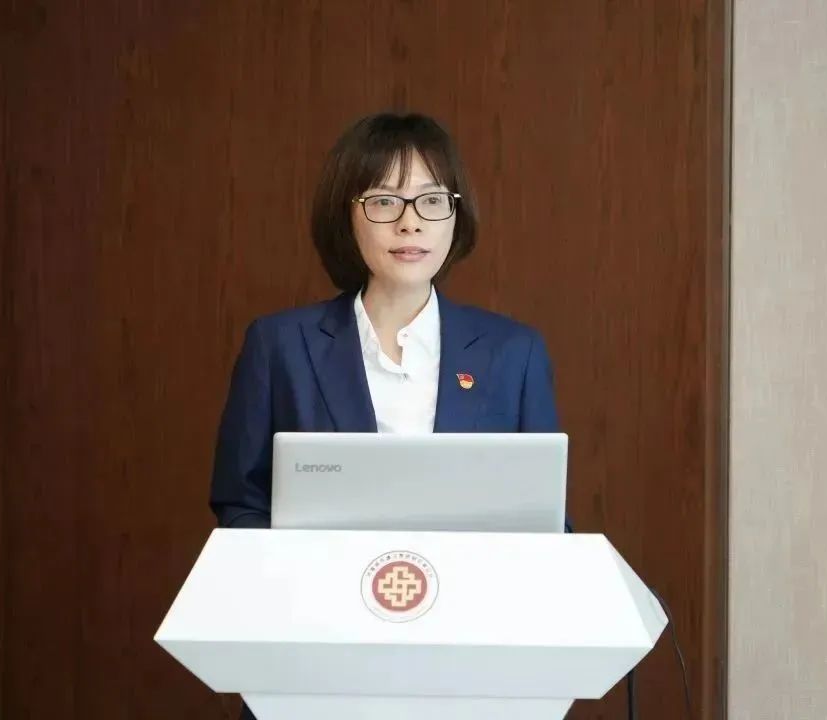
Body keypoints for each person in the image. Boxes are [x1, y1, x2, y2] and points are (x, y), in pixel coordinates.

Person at [209, 111, 564, 720]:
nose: (410, 222)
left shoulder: (514, 353)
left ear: (456, 215)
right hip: (317, 656)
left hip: (467, 657)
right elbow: (239, 502)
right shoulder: (280, 344)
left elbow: (546, 519)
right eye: (383, 201)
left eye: (432, 200)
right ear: (346, 215)